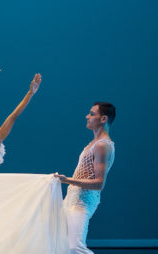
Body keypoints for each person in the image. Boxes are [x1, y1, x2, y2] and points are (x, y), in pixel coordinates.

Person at [54, 102, 116, 254]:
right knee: (60, 245)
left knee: (74, 247)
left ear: (103, 119)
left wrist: (67, 180)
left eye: (92, 113)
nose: (87, 116)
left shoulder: (102, 145)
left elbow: (99, 184)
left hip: (82, 202)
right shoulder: (92, 144)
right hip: (71, 198)